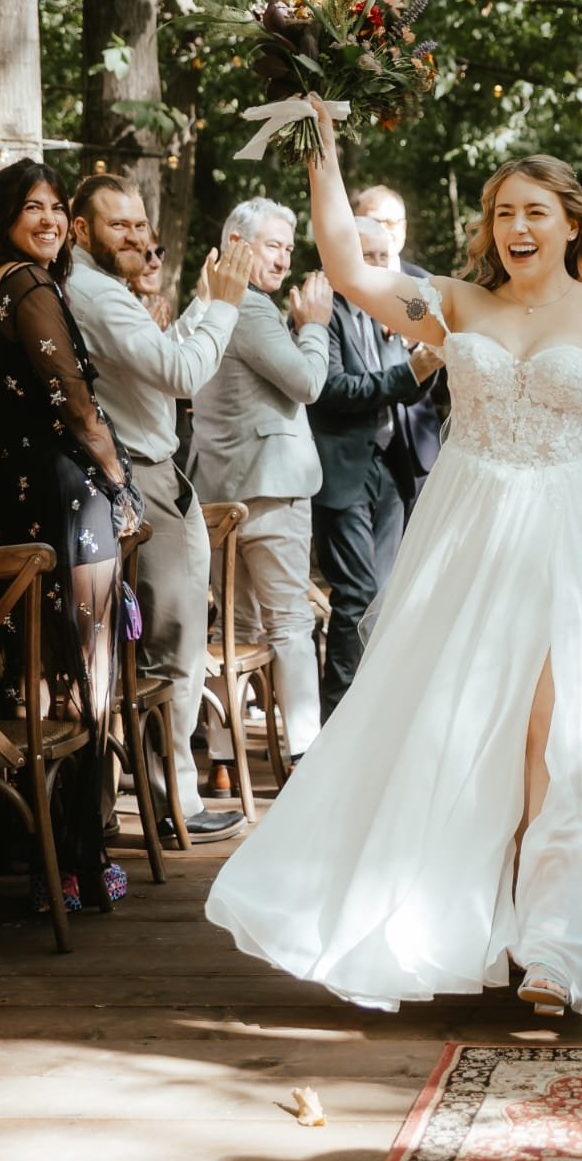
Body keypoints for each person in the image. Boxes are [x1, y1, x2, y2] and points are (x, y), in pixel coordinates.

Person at [206, 102, 582, 1017]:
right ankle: (454, 911)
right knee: (450, 717)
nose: (516, 228)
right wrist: (321, 133)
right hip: (464, 527)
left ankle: (556, 946)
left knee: (552, 735)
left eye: (534, 213)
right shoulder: (452, 303)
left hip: (561, 528)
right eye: (502, 214)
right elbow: (343, 262)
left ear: (570, 224)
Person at [0, 160, 143, 913]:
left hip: (12, 497)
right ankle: (76, 861)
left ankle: (46, 853)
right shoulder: (29, 288)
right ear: (4, 212)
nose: (45, 219)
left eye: (54, 208)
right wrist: (119, 483)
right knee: (89, 680)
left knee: (41, 677)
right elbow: (72, 401)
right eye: (30, 206)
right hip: (68, 498)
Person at [65, 174, 252, 841]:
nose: (139, 238)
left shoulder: (102, 289)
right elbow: (183, 376)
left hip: (154, 472)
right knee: (175, 647)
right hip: (143, 476)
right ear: (79, 228)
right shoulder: (96, 294)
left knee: (170, 646)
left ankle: (162, 791)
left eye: (141, 225)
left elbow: (169, 357)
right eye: (119, 225)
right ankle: (179, 801)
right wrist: (226, 304)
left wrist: (206, 301)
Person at [188, 197, 333, 770]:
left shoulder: (208, 305)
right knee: (290, 623)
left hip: (221, 493)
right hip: (271, 490)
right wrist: (314, 327)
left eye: (289, 247)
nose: (285, 257)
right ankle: (305, 755)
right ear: (239, 245)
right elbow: (307, 383)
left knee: (237, 627)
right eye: (275, 245)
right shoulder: (248, 308)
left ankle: (225, 761)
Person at [307, 216, 442, 717]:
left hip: (392, 464)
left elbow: (403, 387)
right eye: (370, 256)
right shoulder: (322, 310)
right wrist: (413, 370)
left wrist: (423, 369)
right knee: (357, 594)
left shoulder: (394, 308)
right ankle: (339, 716)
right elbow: (333, 391)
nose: (383, 267)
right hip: (342, 469)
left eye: (386, 257)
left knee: (385, 596)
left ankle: (378, 713)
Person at [353, 182, 443, 510]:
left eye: (394, 223)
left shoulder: (429, 286)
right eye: (376, 221)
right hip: (355, 445)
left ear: (404, 229)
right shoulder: (334, 284)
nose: (386, 231)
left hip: (418, 442)